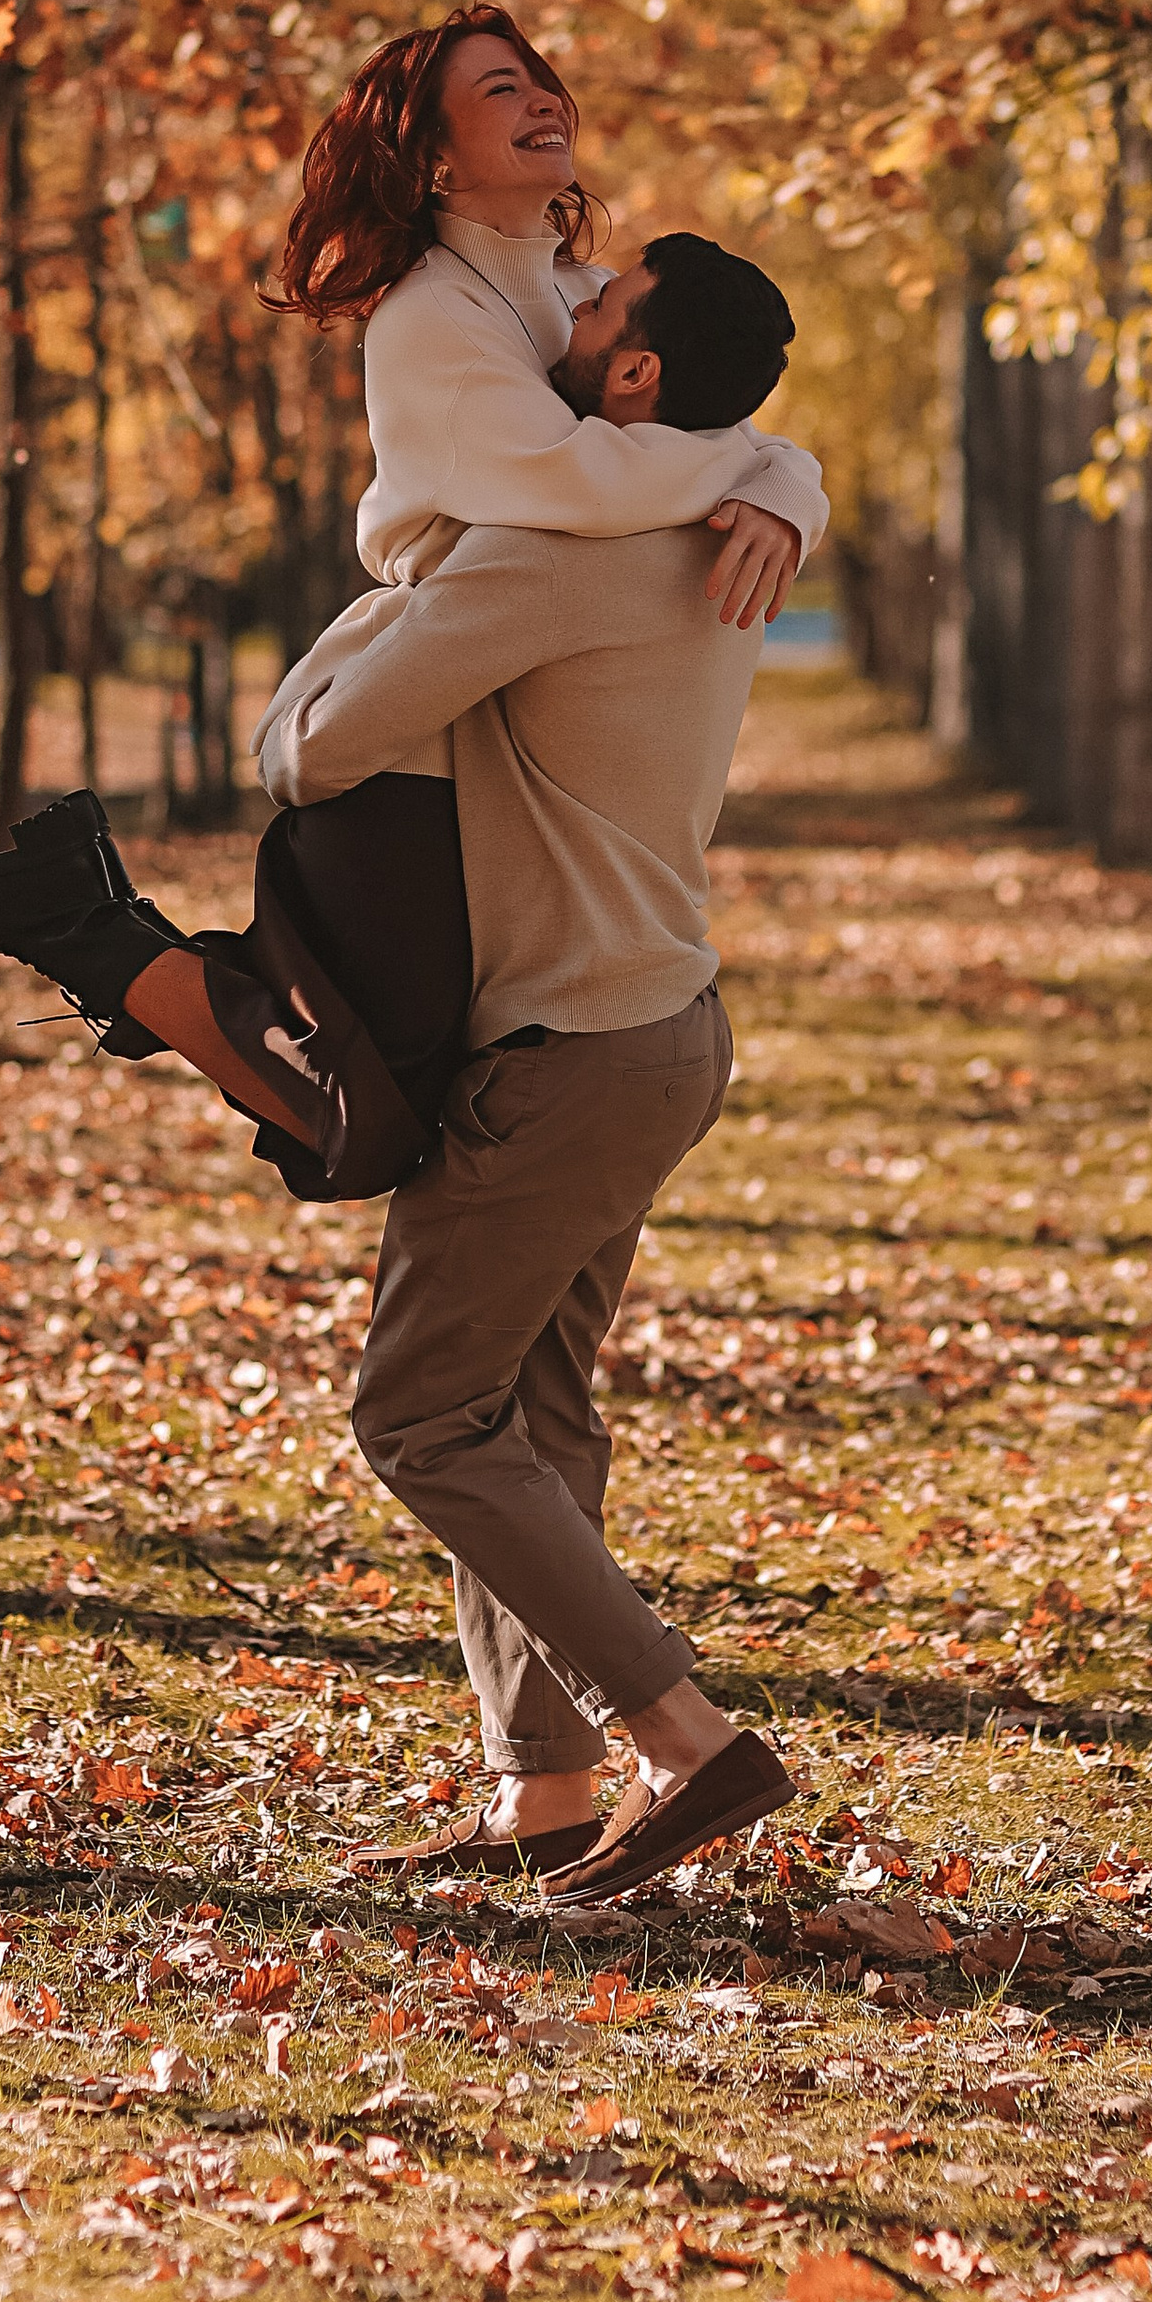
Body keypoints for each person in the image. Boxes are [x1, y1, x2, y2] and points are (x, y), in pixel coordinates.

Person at [0, 9, 825, 1195]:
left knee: (369, 1073)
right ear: (432, 160)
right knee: (358, 1111)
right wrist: (764, 472)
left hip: (489, 730)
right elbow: (576, 484)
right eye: (502, 91)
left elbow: (697, 414)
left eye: (543, 83)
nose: (545, 105)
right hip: (414, 736)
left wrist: (783, 477)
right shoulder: (433, 316)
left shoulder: (578, 291)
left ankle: (83, 910)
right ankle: (81, 925)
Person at [254, 265, 802, 1901]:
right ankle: (545, 1791)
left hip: (561, 1056)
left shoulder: (545, 555)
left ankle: (689, 1741)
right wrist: (788, 473)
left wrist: (386, 604)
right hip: (661, 1035)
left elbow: (312, 749)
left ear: (631, 378)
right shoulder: (712, 521)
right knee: (531, 1417)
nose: (561, 306)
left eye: (595, 303)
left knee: (420, 1412)